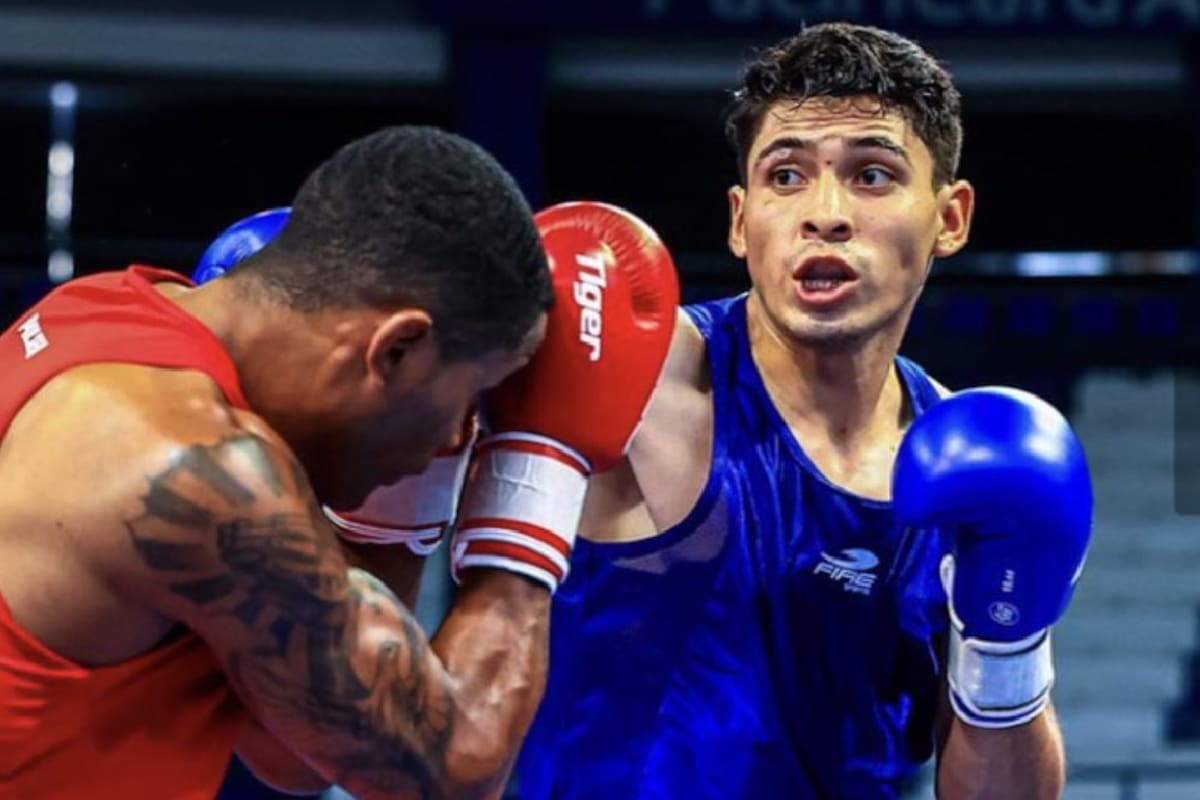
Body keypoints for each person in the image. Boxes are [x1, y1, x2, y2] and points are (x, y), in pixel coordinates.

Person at [0, 124, 679, 799]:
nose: (456, 438)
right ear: (395, 348)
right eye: (471, 396)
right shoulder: (198, 471)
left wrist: (397, 507)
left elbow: (303, 750)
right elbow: (450, 770)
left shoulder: (100, 311)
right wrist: (542, 459)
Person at [516, 22, 1093, 800]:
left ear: (950, 218)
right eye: (785, 176)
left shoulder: (966, 470)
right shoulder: (647, 377)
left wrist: (1009, 646)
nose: (824, 213)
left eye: (872, 175)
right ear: (740, 218)